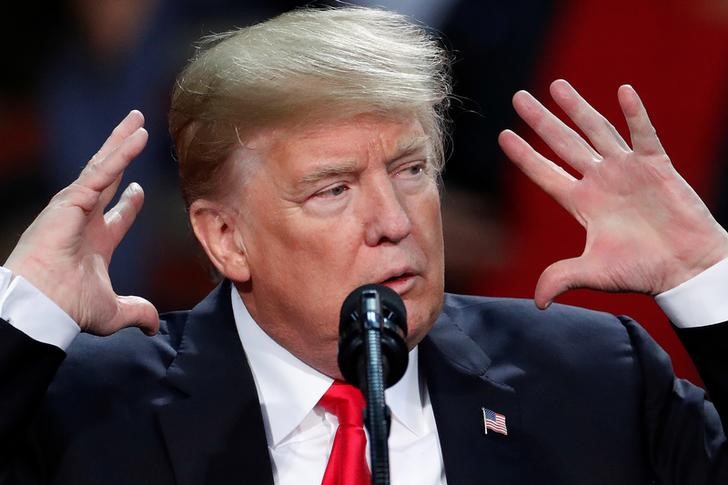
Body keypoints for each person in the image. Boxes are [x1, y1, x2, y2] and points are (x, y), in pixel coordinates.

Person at [1, 6, 727, 484]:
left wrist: (708, 277)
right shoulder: (90, 408)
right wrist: (23, 313)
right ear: (226, 238)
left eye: (411, 170)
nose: (394, 218)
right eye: (334, 189)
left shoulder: (595, 379)